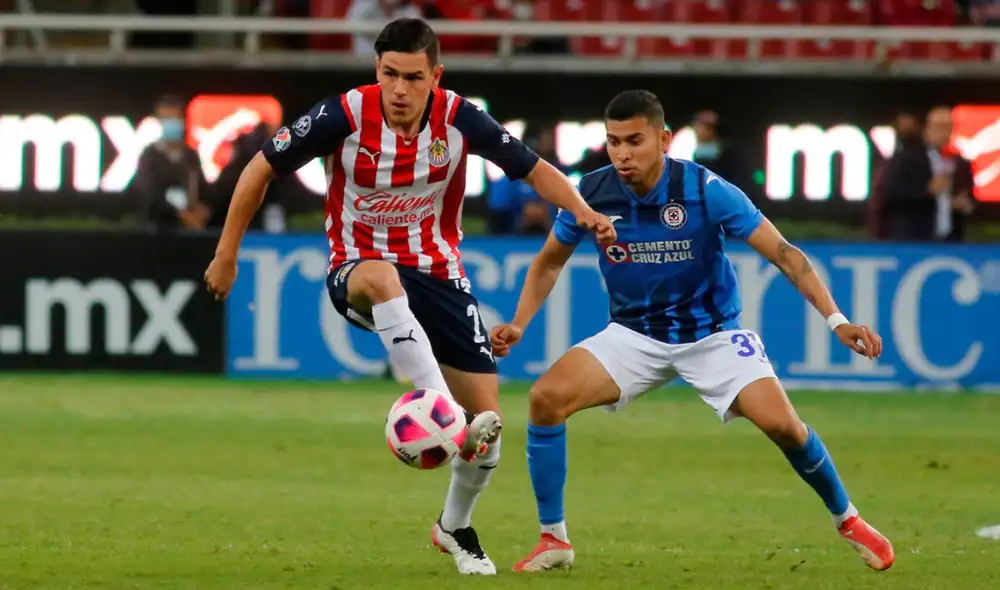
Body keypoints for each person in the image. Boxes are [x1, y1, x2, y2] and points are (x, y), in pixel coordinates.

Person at [202, 18, 615, 576]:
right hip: (358, 269)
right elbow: (259, 169)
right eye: (389, 74)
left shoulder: (459, 117)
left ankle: (453, 527)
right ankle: (436, 404)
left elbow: (535, 170)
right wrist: (227, 254)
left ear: (434, 76)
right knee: (381, 279)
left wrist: (583, 211)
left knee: (489, 427)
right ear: (377, 70)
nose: (399, 89)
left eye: (413, 77)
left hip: (440, 274)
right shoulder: (343, 114)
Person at [489, 90, 895, 573]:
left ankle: (848, 519)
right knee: (545, 399)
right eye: (614, 141)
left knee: (784, 425)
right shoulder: (591, 193)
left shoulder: (705, 189)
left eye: (634, 141)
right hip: (634, 335)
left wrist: (838, 320)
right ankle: (553, 539)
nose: (622, 153)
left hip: (713, 336)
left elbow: (785, 254)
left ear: (663, 139)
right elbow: (548, 262)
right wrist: (518, 323)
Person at [135, 95, 208, 233]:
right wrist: (178, 214)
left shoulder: (190, 156)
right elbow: (149, 195)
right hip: (157, 231)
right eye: (166, 119)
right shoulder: (149, 156)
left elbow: (201, 188)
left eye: (175, 118)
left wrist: (202, 211)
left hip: (188, 230)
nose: (171, 124)